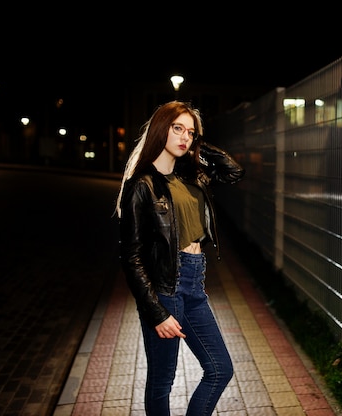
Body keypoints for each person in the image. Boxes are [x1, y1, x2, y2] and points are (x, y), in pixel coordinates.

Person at [115, 100, 245, 415]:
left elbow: (233, 172)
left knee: (219, 369)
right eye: (177, 128)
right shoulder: (141, 185)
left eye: (190, 132)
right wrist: (155, 313)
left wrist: (200, 146)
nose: (184, 136)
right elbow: (131, 256)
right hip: (164, 289)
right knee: (162, 381)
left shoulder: (192, 177)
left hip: (194, 284)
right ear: (161, 129)